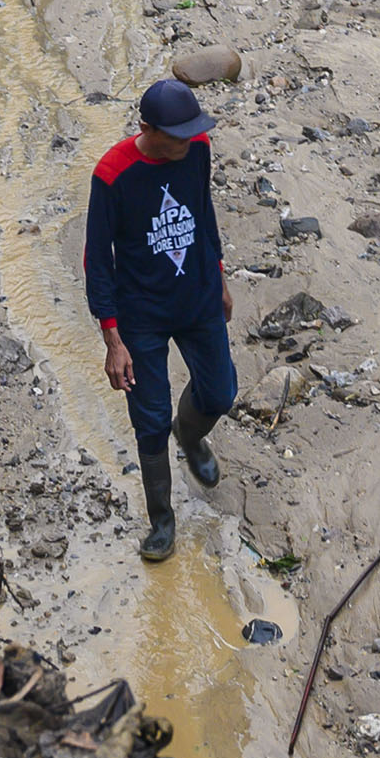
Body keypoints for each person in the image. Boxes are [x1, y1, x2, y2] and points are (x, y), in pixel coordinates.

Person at [84, 75, 234, 565]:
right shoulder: (112, 173)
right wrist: (112, 339)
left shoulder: (198, 148)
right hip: (140, 315)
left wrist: (220, 275)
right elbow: (97, 259)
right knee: (148, 421)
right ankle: (162, 521)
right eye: (177, 137)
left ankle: (189, 435)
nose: (187, 143)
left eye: (193, 133)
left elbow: (203, 213)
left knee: (219, 392)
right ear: (148, 128)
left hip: (198, 297)